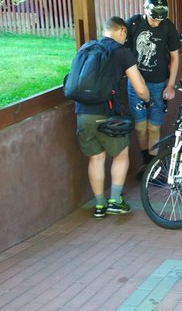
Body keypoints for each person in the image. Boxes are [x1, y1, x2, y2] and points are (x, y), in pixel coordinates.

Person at [75, 16, 150, 219]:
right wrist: (147, 98)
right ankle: (115, 200)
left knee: (96, 158)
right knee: (121, 154)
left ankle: (99, 206)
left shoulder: (86, 48)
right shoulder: (121, 52)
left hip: (82, 112)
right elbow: (140, 87)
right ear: (122, 32)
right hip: (107, 114)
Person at [125, 0, 181, 174]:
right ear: (145, 11)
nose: (156, 23)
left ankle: (151, 168)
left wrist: (170, 85)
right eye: (153, 19)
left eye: (160, 20)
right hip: (135, 83)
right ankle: (147, 161)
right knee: (140, 127)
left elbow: (174, 57)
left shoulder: (168, 27)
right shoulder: (133, 24)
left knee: (154, 126)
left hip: (158, 84)